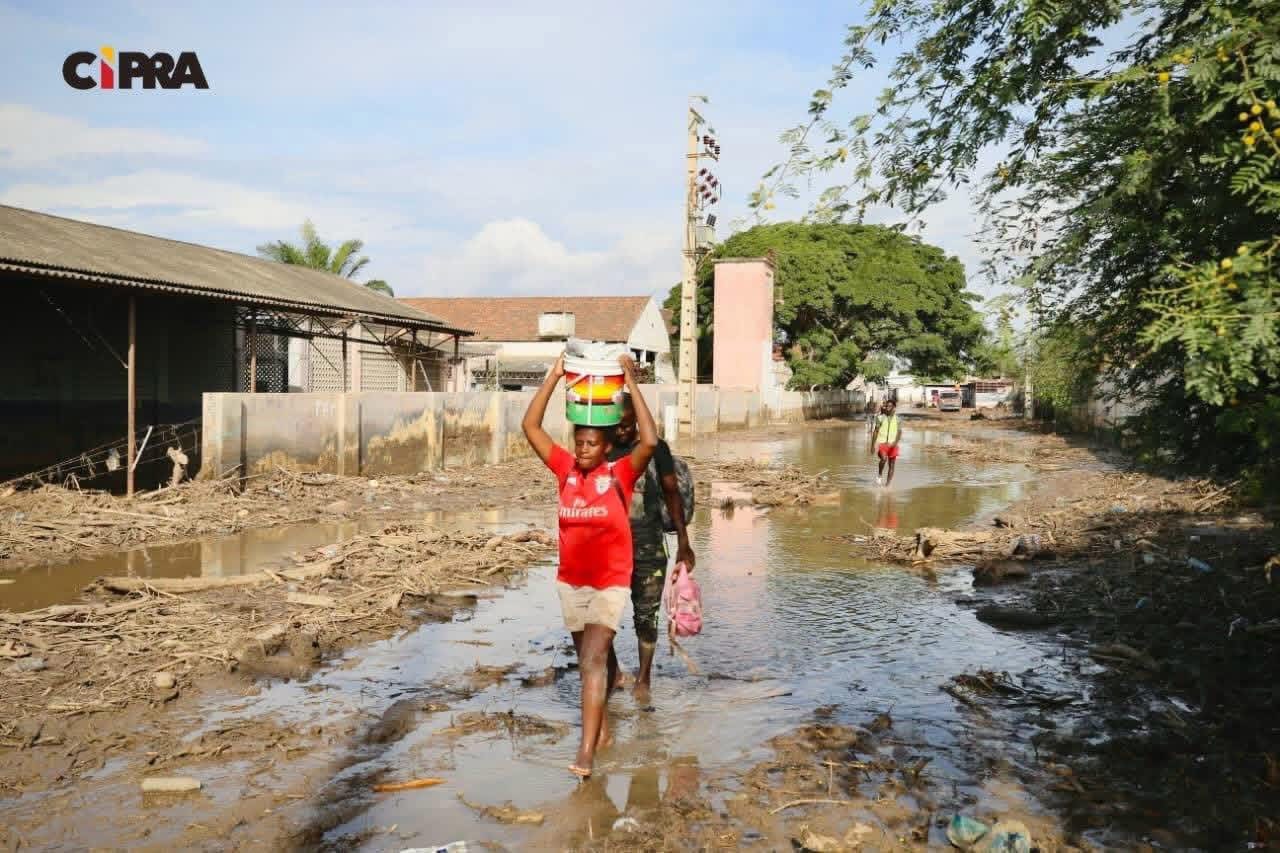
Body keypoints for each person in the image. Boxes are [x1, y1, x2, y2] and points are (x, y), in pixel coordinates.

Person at [522, 353, 657, 779]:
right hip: (572, 584)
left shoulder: (620, 474)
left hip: (609, 583)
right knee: (591, 660)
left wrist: (631, 382)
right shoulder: (564, 470)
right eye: (579, 443)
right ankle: (604, 733)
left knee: (591, 662)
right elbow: (530, 427)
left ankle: (586, 752)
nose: (583, 450)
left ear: (605, 447)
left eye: (591, 444)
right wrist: (554, 375)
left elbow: (650, 441)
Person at [606, 391, 695, 699]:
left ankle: (644, 679)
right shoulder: (599, 449)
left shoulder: (655, 450)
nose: (622, 431)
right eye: (616, 425)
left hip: (648, 545)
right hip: (606, 550)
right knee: (603, 617)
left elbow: (671, 493)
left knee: (646, 615)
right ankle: (614, 672)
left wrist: (684, 541)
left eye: (628, 425)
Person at [870, 399, 903, 487]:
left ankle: (887, 485)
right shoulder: (880, 417)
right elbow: (875, 431)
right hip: (882, 443)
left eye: (890, 406)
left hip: (893, 445)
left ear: (894, 408)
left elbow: (899, 433)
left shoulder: (898, 419)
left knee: (891, 465)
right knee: (883, 459)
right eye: (886, 406)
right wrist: (872, 445)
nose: (887, 408)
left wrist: (895, 442)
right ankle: (880, 475)